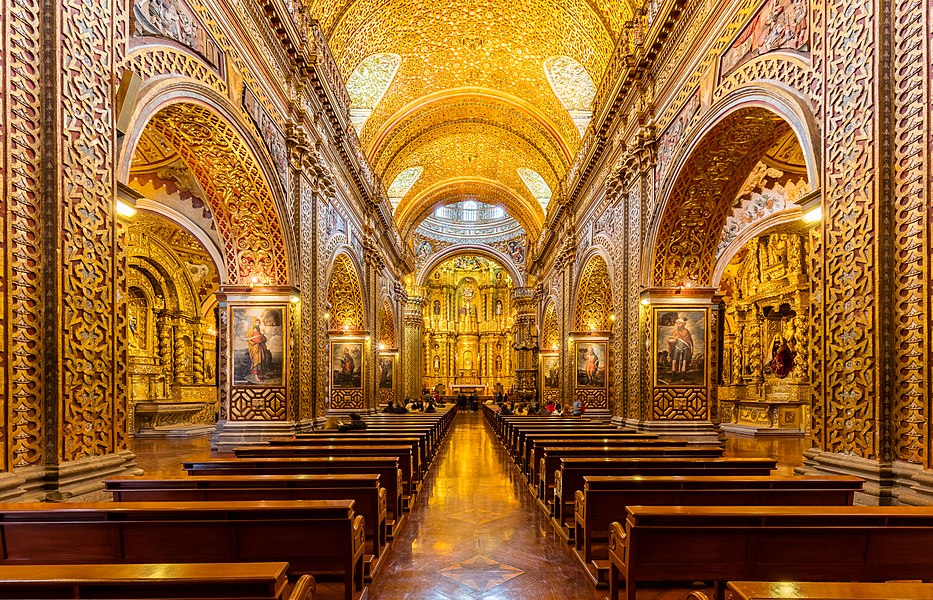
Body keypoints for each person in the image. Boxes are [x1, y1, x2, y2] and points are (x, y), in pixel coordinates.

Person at [668, 317, 694, 383]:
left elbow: (689, 341)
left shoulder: (686, 331)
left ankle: (682, 377)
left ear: (683, 324)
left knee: (684, 362)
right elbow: (670, 340)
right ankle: (672, 377)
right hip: (677, 347)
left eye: (679, 323)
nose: (678, 325)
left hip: (685, 348)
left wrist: (691, 349)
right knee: (674, 361)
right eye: (677, 323)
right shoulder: (675, 331)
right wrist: (674, 339)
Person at [246, 317, 271, 382]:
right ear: (254, 323)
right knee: (257, 362)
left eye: (259, 322)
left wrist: (262, 335)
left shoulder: (257, 330)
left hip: (260, 347)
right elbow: (257, 340)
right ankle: (256, 376)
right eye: (257, 322)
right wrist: (262, 337)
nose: (259, 324)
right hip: (255, 348)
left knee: (262, 360)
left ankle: (262, 374)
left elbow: (261, 339)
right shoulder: (254, 330)